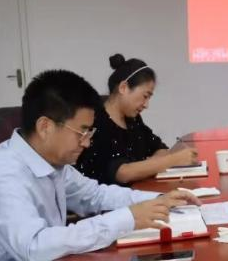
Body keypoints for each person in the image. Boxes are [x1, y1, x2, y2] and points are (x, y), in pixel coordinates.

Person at [0, 69, 200, 261]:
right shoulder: (4, 175)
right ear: (45, 127)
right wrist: (127, 218)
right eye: (81, 132)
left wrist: (158, 199)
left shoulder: (50, 161)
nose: (87, 143)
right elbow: (34, 248)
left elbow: (95, 195)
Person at [75, 54, 198, 184]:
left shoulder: (132, 120)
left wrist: (149, 166)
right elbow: (121, 173)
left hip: (136, 192)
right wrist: (172, 161)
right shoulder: (96, 119)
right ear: (123, 88)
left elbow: (160, 148)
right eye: (145, 96)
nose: (146, 105)